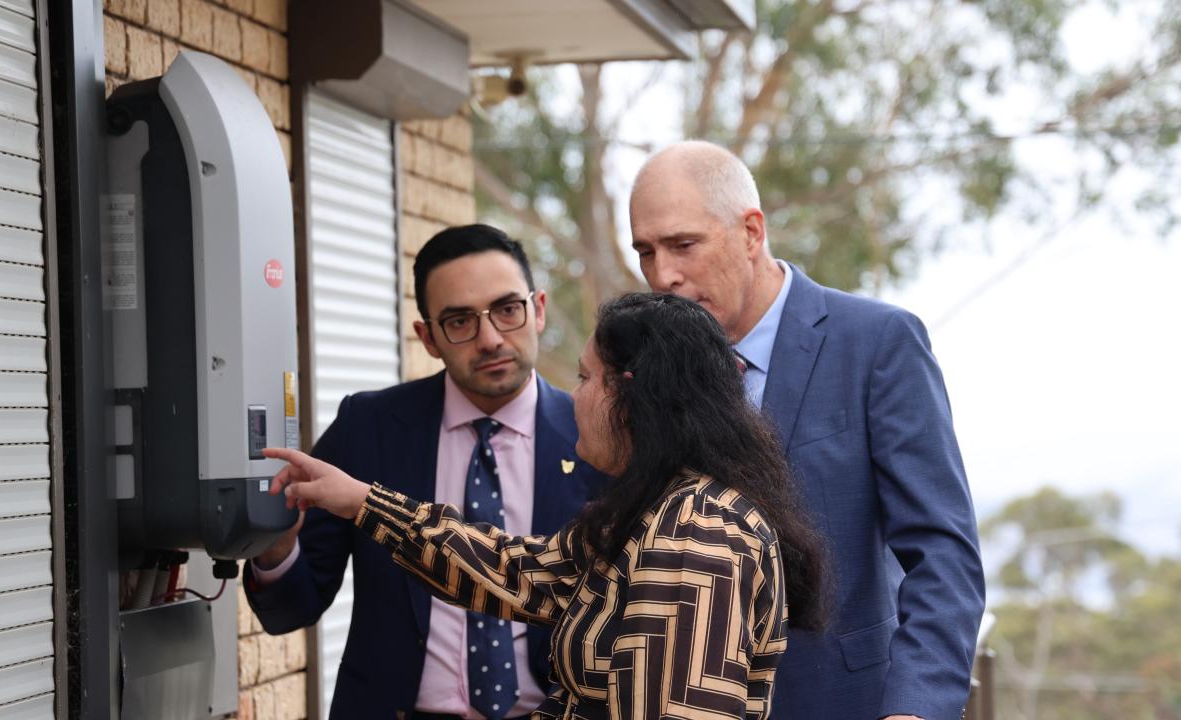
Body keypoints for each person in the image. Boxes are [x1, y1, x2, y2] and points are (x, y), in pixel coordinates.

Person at [263, 292, 829, 720]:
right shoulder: (654, 511)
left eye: (586, 378)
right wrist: (362, 501)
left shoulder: (696, 534)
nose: (572, 394)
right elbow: (519, 570)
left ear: (629, 398)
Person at [627, 140, 986, 720]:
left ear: (751, 232)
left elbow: (943, 553)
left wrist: (915, 709)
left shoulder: (877, 343)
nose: (662, 273)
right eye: (645, 251)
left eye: (683, 245)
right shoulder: (650, 370)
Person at [243, 225, 605, 719]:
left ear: (538, 309)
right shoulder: (368, 428)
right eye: (459, 321)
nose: (490, 339)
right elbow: (291, 609)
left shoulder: (600, 438)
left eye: (507, 309)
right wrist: (277, 549)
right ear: (428, 337)